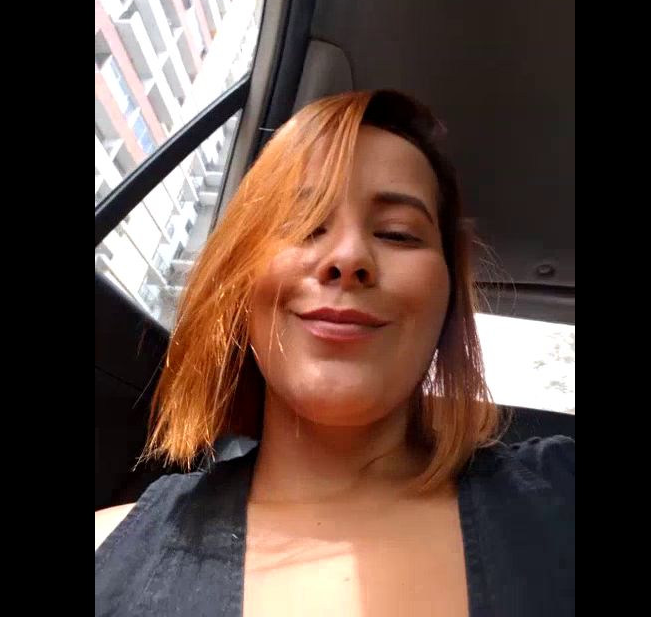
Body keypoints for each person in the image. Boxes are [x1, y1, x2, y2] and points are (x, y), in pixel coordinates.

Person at [96, 89, 574, 616]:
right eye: (304, 225)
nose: (348, 257)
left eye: (397, 234)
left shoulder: (560, 492)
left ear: (448, 302)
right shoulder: (106, 554)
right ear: (238, 281)